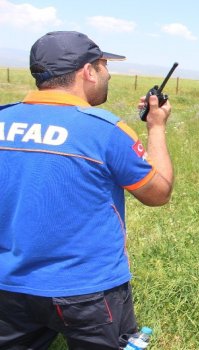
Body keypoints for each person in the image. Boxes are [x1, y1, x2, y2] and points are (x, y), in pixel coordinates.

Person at [0, 31, 174, 349]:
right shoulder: (104, 130)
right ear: (88, 71)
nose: (108, 74)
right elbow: (158, 193)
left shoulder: (3, 118)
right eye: (105, 65)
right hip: (88, 291)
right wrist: (156, 126)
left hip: (8, 285)